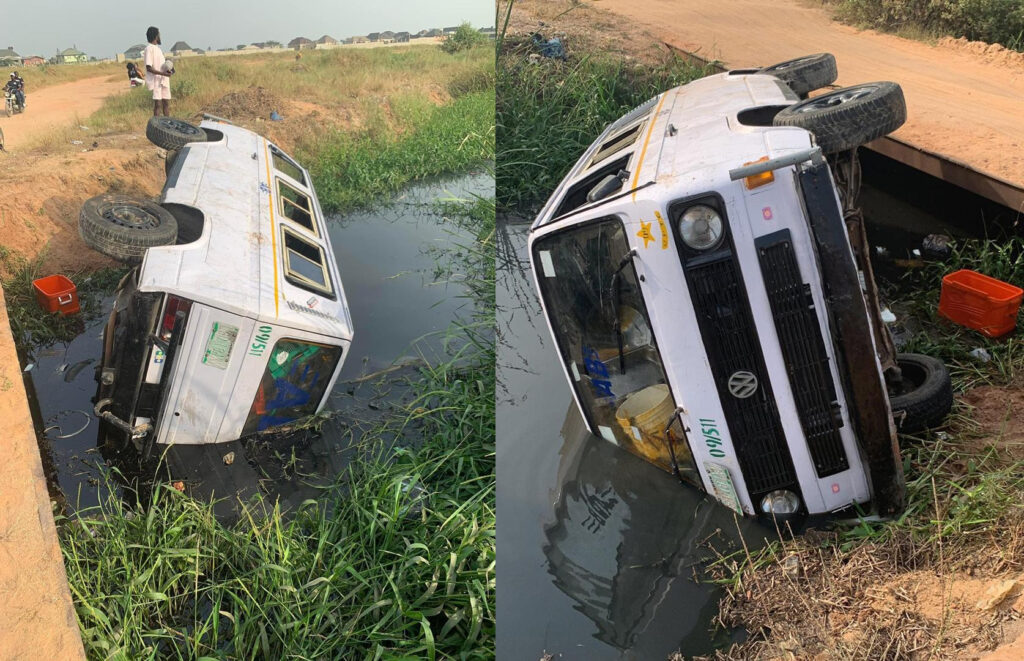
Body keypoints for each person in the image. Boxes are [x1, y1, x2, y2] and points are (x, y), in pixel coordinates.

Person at [144, 26, 173, 116]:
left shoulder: (158, 49)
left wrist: (168, 71)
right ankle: (156, 127)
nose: (160, 37)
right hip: (156, 80)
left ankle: (167, 126)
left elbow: (161, 65)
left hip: (164, 80)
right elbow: (149, 67)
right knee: (158, 105)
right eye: (159, 35)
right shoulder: (149, 49)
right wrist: (163, 74)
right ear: (156, 36)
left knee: (166, 103)